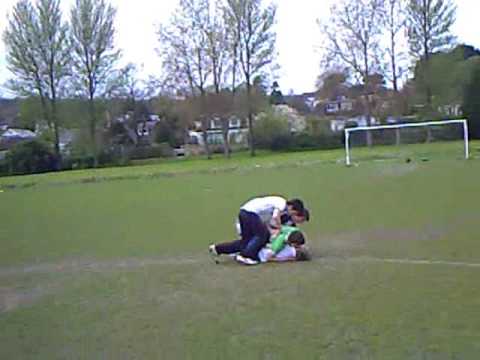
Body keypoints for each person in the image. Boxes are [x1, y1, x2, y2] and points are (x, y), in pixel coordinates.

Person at [209, 196, 310, 265]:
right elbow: (275, 218)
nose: (291, 214)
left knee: (246, 242)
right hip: (250, 213)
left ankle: (218, 249)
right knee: (263, 235)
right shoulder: (282, 203)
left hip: (244, 212)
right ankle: (246, 256)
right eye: (293, 212)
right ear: (292, 207)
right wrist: (279, 230)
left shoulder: (283, 211)